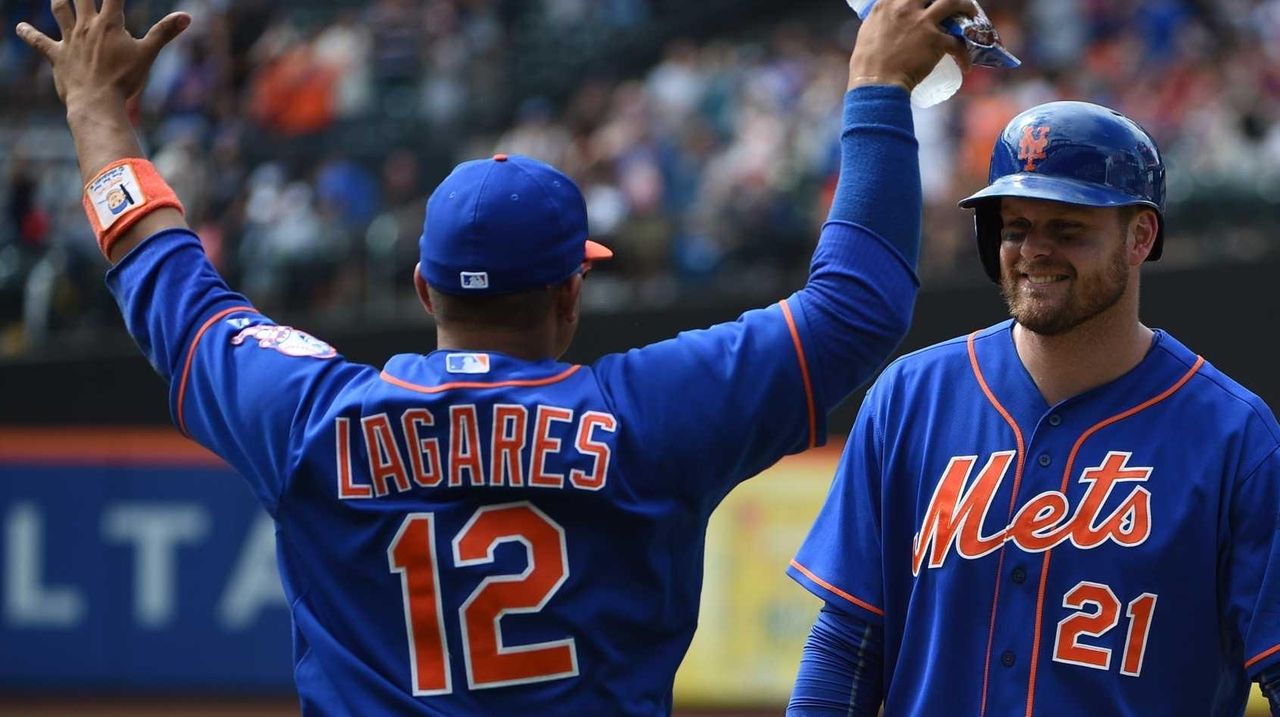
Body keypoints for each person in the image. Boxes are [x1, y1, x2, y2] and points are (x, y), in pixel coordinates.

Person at [15, 0, 975, 713]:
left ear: (425, 291)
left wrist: (97, 112)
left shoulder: (312, 417)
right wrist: (877, 89)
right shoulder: (649, 417)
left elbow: (167, 286)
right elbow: (860, 302)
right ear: (570, 289)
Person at [785, 101, 1280, 715]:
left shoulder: (1236, 435)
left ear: (1140, 237)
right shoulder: (910, 397)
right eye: (1015, 227)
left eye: (1067, 229)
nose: (1033, 251)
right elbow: (847, 644)